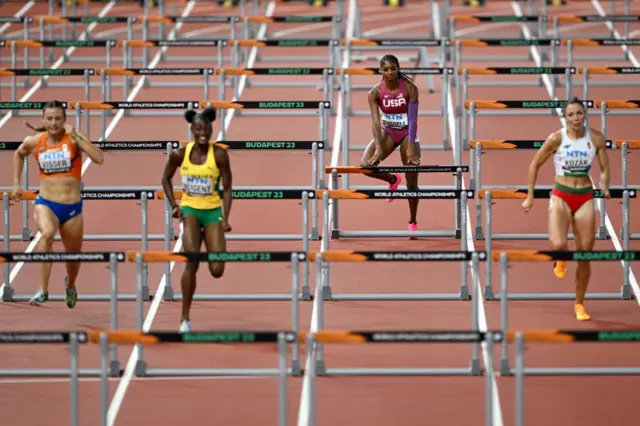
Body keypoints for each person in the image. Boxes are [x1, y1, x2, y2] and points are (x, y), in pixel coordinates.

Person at [522, 97, 610, 321]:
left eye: (579, 113)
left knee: (585, 255)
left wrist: (605, 185)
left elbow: (605, 167)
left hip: (585, 197)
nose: (576, 118)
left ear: (584, 114)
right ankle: (559, 257)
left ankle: (579, 303)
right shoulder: (556, 138)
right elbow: (535, 163)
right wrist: (530, 196)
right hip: (561, 194)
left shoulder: (596, 138)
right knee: (559, 244)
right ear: (565, 118)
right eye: (571, 115)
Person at [12, 100, 105, 308]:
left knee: (73, 258)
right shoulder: (35, 141)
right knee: (46, 234)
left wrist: (78, 138)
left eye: (58, 119)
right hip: (46, 204)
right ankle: (42, 290)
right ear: (44, 120)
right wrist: (17, 184)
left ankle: (70, 285)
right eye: (50, 118)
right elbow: (18, 154)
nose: (54, 123)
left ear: (65, 120)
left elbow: (99, 158)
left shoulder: (74, 139)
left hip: (72, 209)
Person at [161, 106, 232, 333]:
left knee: (217, 270)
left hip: (212, 212)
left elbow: (229, 188)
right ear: (192, 129)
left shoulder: (219, 155)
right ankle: (185, 318)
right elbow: (165, 179)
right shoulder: (180, 154)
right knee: (192, 259)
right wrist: (174, 205)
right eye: (198, 128)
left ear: (212, 128)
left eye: (206, 128)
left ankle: (209, 236)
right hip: (190, 210)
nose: (203, 132)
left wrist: (225, 218)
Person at [361, 54, 421, 238]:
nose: (389, 73)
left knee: (412, 182)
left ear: (398, 68)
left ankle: (412, 220)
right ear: (381, 71)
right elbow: (375, 123)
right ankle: (392, 180)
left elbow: (412, 119)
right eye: (385, 69)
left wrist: (411, 144)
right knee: (365, 166)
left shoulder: (410, 89)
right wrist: (379, 147)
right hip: (388, 132)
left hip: (407, 134)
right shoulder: (375, 93)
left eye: (393, 69)